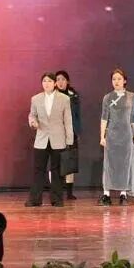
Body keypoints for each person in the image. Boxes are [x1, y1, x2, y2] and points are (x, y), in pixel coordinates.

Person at [28, 72, 74, 207]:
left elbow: (68, 120)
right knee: (38, 170)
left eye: (49, 81)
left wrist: (69, 140)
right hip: (41, 139)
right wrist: (33, 122)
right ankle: (35, 199)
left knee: (57, 171)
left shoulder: (64, 99)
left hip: (58, 139)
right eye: (44, 81)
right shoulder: (36, 99)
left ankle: (57, 199)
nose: (46, 84)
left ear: (54, 84)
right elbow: (32, 115)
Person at [99, 69, 134, 206]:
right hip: (112, 136)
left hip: (126, 135)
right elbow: (104, 118)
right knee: (109, 164)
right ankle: (106, 194)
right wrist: (102, 136)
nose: (116, 81)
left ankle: (123, 194)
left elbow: (133, 117)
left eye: (119, 79)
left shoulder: (132, 97)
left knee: (125, 164)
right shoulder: (107, 97)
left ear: (124, 81)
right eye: (114, 79)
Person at [54, 71, 83, 200]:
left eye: (63, 79)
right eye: (58, 79)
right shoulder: (52, 96)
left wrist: (77, 131)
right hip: (56, 133)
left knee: (70, 161)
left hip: (71, 133)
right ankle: (57, 190)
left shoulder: (73, 95)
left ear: (68, 81)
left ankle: (69, 192)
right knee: (56, 162)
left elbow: (77, 115)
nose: (60, 82)